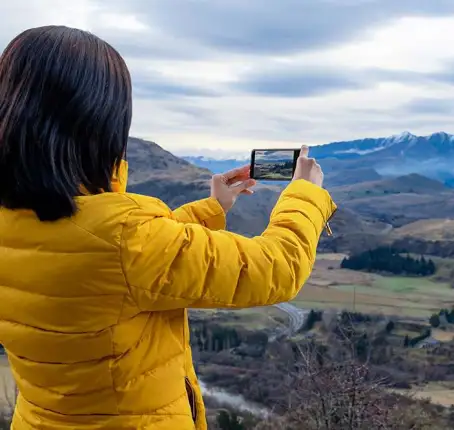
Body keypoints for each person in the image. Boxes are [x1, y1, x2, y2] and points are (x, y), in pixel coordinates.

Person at [0, 26, 336, 430]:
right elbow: (275, 269)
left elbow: (106, 258)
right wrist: (305, 193)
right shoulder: (123, 237)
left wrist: (212, 209)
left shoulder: (29, 225)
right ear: (99, 123)